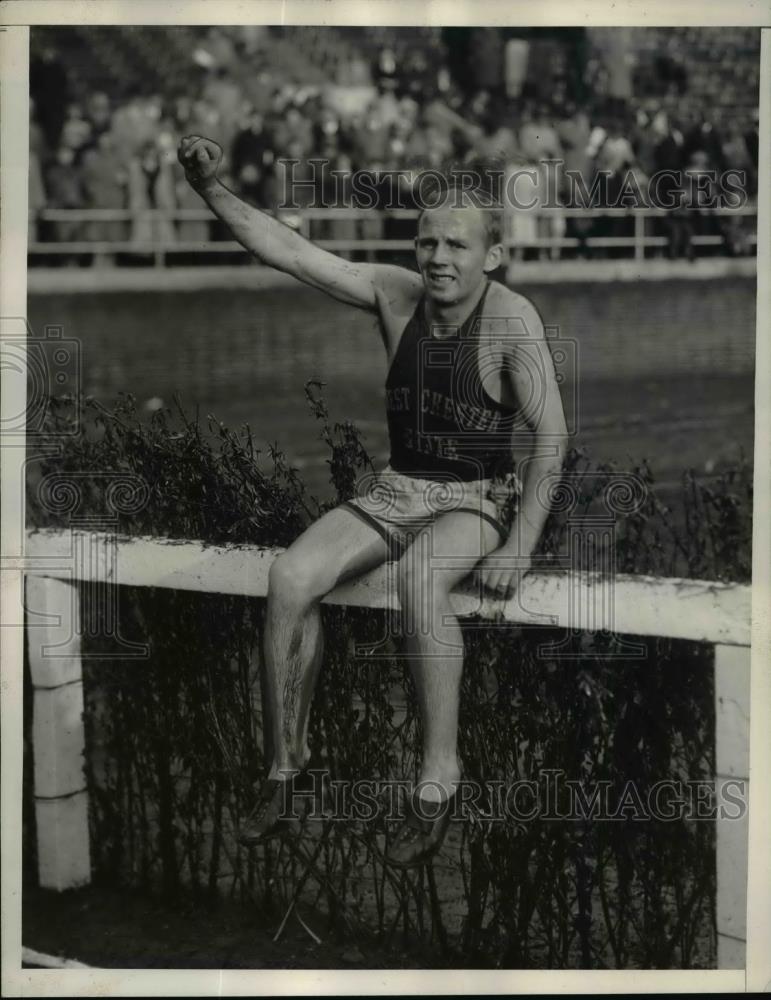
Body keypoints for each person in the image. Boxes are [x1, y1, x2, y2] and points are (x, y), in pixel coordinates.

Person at [178, 134, 568, 868]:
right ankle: (287, 770)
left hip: (474, 497)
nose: (438, 258)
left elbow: (552, 435)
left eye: (457, 245)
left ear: (492, 255)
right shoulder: (397, 295)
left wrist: (519, 542)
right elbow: (289, 253)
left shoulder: (512, 320)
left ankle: (438, 778)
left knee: (424, 576)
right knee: (292, 576)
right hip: (397, 488)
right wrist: (209, 188)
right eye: (426, 243)